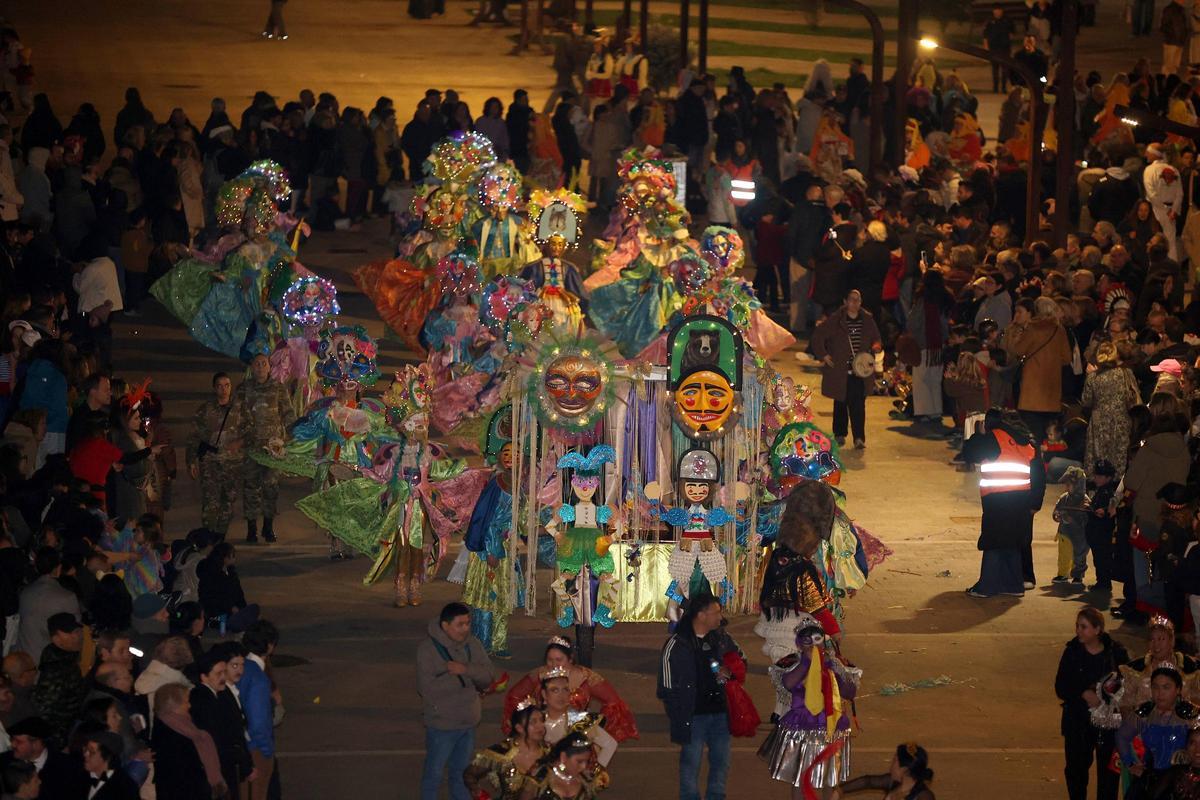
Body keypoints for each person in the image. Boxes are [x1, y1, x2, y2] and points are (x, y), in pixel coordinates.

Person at [657, 593, 741, 800]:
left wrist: (729, 671)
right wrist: (679, 713)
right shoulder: (676, 644)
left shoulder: (723, 638)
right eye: (716, 613)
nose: (720, 617)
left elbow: (740, 660)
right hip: (693, 715)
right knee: (690, 764)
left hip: (721, 713)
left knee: (721, 762)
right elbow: (665, 686)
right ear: (701, 615)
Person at [964, 409, 1047, 597]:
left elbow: (968, 453)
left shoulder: (994, 438)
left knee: (993, 541)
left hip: (998, 498)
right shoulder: (1025, 440)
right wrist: (1035, 502)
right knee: (1013, 542)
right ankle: (1014, 585)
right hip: (1021, 500)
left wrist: (979, 434)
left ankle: (987, 586)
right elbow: (1039, 474)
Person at [418, 602, 495, 800]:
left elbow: (488, 676)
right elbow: (425, 688)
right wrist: (461, 682)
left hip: (468, 722)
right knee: (433, 774)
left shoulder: (473, 645)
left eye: (468, 623)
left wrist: (465, 670)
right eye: (460, 624)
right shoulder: (428, 650)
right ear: (445, 625)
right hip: (442, 725)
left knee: (461, 774)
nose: (466, 629)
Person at [1054, 607, 1129, 800]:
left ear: (1097, 630)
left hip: (1108, 724)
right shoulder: (1072, 653)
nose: (1078, 631)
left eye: (1084, 627)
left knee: (1109, 774)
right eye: (1077, 626)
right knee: (1076, 770)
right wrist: (1083, 693)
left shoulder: (1116, 653)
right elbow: (1061, 686)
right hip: (1078, 723)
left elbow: (1129, 684)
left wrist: (1110, 696)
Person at [502, 636, 637, 743]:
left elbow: (614, 703)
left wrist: (598, 725)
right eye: (549, 660)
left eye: (559, 660)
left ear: (570, 659)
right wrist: (528, 716)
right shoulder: (539, 675)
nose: (554, 665)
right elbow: (515, 696)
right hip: (544, 730)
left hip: (576, 731)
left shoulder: (587, 677)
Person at [234, 353, 295, 543]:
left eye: (264, 363)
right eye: (257, 363)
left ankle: (268, 527)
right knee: (251, 488)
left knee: (271, 488)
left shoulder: (278, 388)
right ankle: (251, 528)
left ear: (270, 367)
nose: (260, 367)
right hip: (251, 447)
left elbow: (288, 413)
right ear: (252, 367)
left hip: (273, 449)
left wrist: (294, 438)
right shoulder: (243, 389)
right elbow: (235, 416)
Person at [811, 289, 881, 449]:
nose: (855, 303)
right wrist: (824, 355)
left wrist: (876, 346)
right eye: (851, 299)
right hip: (841, 371)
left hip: (860, 370)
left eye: (858, 300)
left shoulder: (867, 320)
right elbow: (818, 336)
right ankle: (840, 433)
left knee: (858, 404)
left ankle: (859, 437)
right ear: (845, 301)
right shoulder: (836, 320)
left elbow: (876, 337)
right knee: (840, 402)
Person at [1117, 667, 1198, 793]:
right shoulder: (1144, 713)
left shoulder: (1190, 714)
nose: (1159, 693)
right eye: (1155, 687)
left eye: (1166, 687)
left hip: (1182, 782)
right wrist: (1131, 764)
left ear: (1178, 689)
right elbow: (1121, 736)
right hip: (1150, 779)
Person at [1006, 297, 1071, 444]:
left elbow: (1018, 349)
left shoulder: (1032, 328)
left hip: (1032, 391)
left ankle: (1035, 463)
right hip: (1051, 391)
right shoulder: (1059, 329)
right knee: (1050, 436)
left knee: (1032, 435)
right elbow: (1067, 358)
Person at [189, 648, 252, 796]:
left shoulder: (215, 695)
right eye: (218, 674)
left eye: (224, 672)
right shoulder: (203, 701)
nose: (223, 677)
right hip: (218, 768)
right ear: (204, 677)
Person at [187, 372, 242, 538]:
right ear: (214, 388)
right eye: (219, 386)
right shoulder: (205, 410)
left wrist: (240, 444)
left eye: (227, 385)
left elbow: (250, 432)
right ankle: (208, 535)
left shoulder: (240, 409)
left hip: (232, 463)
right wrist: (191, 461)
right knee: (211, 502)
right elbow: (194, 437)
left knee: (228, 502)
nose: (223, 389)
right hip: (210, 462)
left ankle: (220, 536)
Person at [150, 683, 226, 800]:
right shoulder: (170, 732)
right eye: (186, 701)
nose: (190, 705)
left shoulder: (180, 724)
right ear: (174, 705)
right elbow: (182, 772)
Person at [464, 703, 547, 799]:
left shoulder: (550, 753)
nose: (541, 726)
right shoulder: (502, 752)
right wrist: (478, 792)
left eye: (542, 720)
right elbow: (469, 774)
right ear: (519, 728)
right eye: (533, 722)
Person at [1080, 342, 1139, 475]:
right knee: (1118, 459)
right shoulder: (1126, 374)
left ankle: (1097, 489)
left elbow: (1086, 402)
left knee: (1097, 460)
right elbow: (1134, 397)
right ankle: (1117, 490)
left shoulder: (1093, 377)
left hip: (1099, 424)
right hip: (1121, 422)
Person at [14, 547, 79, 662]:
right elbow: (74, 636)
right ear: (58, 569)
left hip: (24, 657)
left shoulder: (24, 593)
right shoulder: (67, 597)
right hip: (50, 662)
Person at [30, 612, 85, 746]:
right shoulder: (57, 670)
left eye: (77, 631)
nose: (77, 636)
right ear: (56, 639)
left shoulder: (65, 659)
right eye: (70, 633)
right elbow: (44, 709)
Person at [239, 620, 279, 800]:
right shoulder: (259, 678)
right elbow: (259, 722)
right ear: (270, 646)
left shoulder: (242, 667)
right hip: (255, 748)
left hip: (241, 746)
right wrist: (267, 751)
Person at [832, 742, 936, 799]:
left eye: (895, 761)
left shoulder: (924, 797)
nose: (891, 765)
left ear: (904, 770)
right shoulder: (893, 782)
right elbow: (867, 781)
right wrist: (839, 790)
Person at [81, 729, 139, 799]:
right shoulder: (78, 775)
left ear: (107, 757)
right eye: (85, 750)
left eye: (91, 751)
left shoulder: (126, 788)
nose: (85, 754)